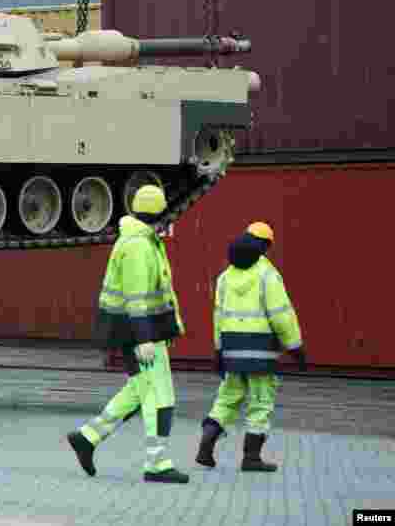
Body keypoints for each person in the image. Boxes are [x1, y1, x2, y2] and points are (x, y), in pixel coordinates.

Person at [67, 184, 189, 484]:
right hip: (139, 335)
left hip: (141, 332)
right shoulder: (138, 246)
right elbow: (137, 298)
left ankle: (87, 437)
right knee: (160, 398)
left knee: (137, 394)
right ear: (159, 212)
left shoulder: (143, 241)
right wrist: (145, 338)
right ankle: (157, 464)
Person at [195, 222, 305, 471]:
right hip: (261, 351)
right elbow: (281, 315)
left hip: (232, 348)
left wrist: (218, 350)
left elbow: (218, 317)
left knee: (226, 399)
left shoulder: (225, 277)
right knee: (260, 403)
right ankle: (251, 458)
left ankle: (205, 446)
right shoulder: (268, 275)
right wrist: (295, 347)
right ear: (266, 246)